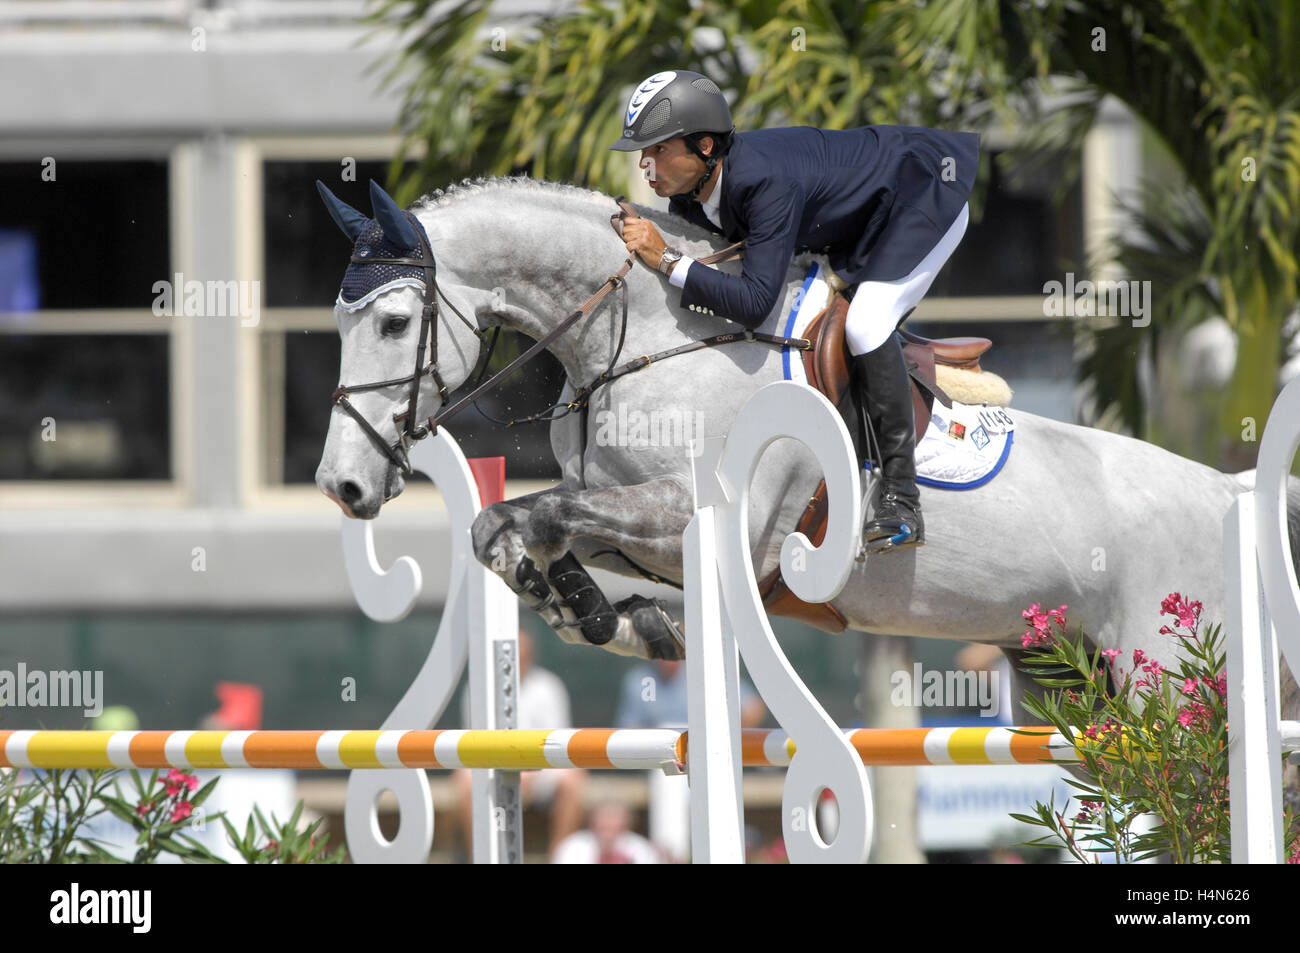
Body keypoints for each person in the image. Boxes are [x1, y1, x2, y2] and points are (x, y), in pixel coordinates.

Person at [612, 69, 979, 553]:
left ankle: (901, 500)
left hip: (923, 194)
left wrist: (665, 258)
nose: (645, 164)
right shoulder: (694, 189)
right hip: (860, 217)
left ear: (704, 146)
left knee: (867, 323)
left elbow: (753, 304)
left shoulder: (764, 180)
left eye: (658, 149)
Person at [453, 630, 586, 860]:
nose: (517, 661)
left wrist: (531, 772)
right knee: (464, 781)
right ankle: (482, 857)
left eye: (523, 655)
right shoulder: (478, 688)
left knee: (573, 781)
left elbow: (559, 742)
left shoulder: (549, 687)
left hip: (542, 769)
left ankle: (558, 858)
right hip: (492, 768)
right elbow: (474, 744)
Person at [550, 802, 662, 864]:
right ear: (592, 823)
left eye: (614, 823)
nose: (609, 825)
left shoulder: (640, 848)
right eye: (604, 823)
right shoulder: (573, 846)